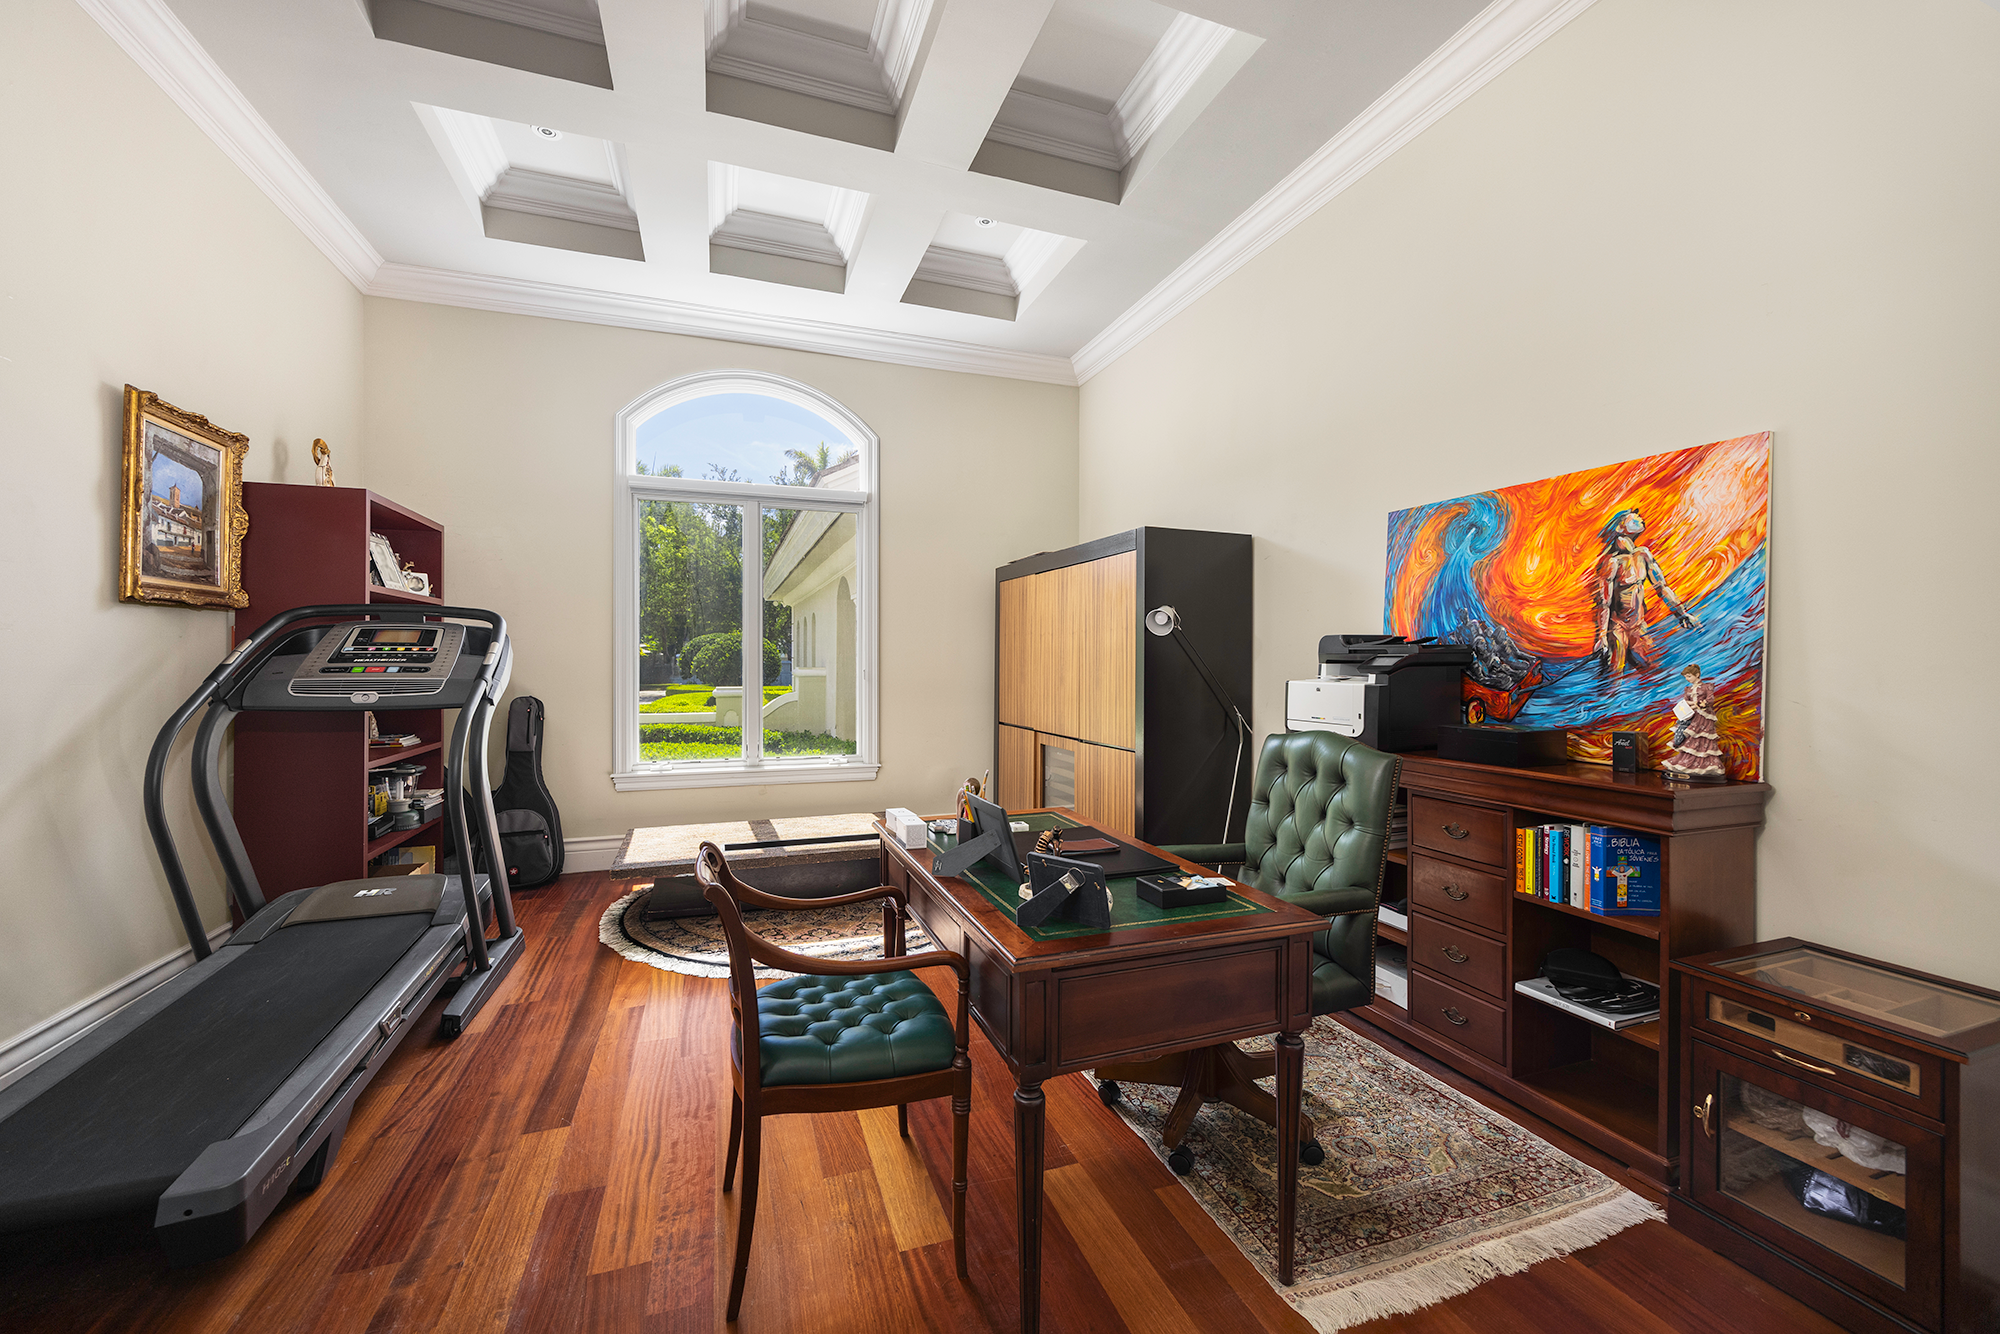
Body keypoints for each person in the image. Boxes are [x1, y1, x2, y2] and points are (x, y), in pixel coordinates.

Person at [1591, 509, 1701, 674]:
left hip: (1638, 627)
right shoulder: (1611, 562)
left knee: (1653, 671)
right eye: (1633, 518)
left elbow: (1662, 587)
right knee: (1613, 680)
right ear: (1620, 528)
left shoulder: (1643, 555)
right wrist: (1602, 637)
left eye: (1639, 517)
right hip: (1616, 631)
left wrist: (1681, 613)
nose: (1639, 518)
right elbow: (1604, 602)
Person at [1662, 663, 1726, 779]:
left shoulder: (1707, 686)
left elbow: (1710, 700)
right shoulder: (1688, 689)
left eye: (1689, 676)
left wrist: (1699, 704)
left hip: (1704, 716)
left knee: (1702, 737)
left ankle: (1705, 765)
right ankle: (1688, 763)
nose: (1687, 679)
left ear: (1697, 675)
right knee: (1689, 739)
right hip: (1691, 715)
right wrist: (1694, 704)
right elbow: (1685, 702)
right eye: (1686, 677)